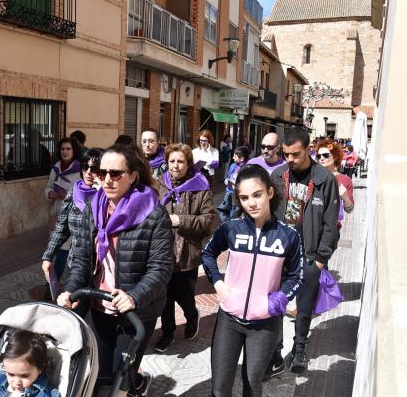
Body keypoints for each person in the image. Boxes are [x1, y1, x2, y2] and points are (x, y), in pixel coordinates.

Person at [57, 143, 174, 397]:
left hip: (135, 311)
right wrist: (70, 289)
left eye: (116, 174)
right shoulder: (94, 207)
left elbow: (161, 267)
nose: (107, 180)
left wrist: (134, 296)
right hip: (100, 306)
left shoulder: (153, 214)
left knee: (122, 378)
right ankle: (134, 383)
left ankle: (135, 384)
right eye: (102, 173)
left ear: (132, 176)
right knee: (100, 373)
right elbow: (82, 259)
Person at [201, 164, 304, 397]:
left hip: (264, 325)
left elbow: (296, 275)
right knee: (219, 388)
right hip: (229, 319)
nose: (252, 203)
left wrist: (278, 300)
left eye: (257, 195)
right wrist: (218, 284)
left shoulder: (289, 235)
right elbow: (207, 254)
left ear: (269, 192)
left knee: (252, 385)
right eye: (244, 198)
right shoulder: (231, 229)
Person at [268, 128, 340, 375]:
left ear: (308, 149)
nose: (290, 160)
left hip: (309, 256)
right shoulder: (278, 176)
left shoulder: (324, 179)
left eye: (295, 154)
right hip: (280, 253)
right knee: (276, 304)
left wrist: (320, 259)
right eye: (286, 154)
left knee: (305, 307)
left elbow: (331, 224)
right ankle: (275, 352)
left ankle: (299, 348)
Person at [153, 143, 219, 352]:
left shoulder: (200, 186)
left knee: (184, 295)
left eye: (180, 161)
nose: (175, 165)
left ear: (188, 163)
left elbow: (208, 219)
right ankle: (168, 332)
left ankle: (192, 315)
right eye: (172, 161)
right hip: (162, 252)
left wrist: (179, 220)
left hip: (187, 251)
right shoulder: (159, 185)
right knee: (164, 297)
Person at [41, 148, 104, 291]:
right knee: (74, 308)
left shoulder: (109, 197)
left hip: (102, 268)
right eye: (85, 166)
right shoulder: (74, 192)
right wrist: (48, 256)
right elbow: (61, 228)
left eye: (94, 168)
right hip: (76, 264)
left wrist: (102, 194)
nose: (88, 172)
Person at [45, 137, 82, 275]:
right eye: (62, 149)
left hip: (72, 214)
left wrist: (66, 195)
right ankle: (54, 283)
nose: (65, 152)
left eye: (68, 149)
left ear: (73, 151)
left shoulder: (80, 170)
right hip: (55, 213)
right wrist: (51, 194)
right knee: (54, 247)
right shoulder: (55, 168)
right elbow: (47, 188)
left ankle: (53, 283)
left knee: (63, 249)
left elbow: (83, 195)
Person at [315, 139, 354, 227]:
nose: (321, 158)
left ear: (335, 156)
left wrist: (345, 197)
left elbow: (349, 209)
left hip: (332, 228)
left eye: (325, 155)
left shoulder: (345, 180)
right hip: (312, 225)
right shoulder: (313, 176)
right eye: (318, 156)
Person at [218, 146, 250, 222]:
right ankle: (227, 223)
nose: (233, 158)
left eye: (235, 157)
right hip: (229, 192)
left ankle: (233, 225)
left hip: (237, 195)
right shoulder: (233, 166)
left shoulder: (247, 168)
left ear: (242, 159)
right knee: (223, 209)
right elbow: (228, 177)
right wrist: (227, 181)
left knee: (235, 212)